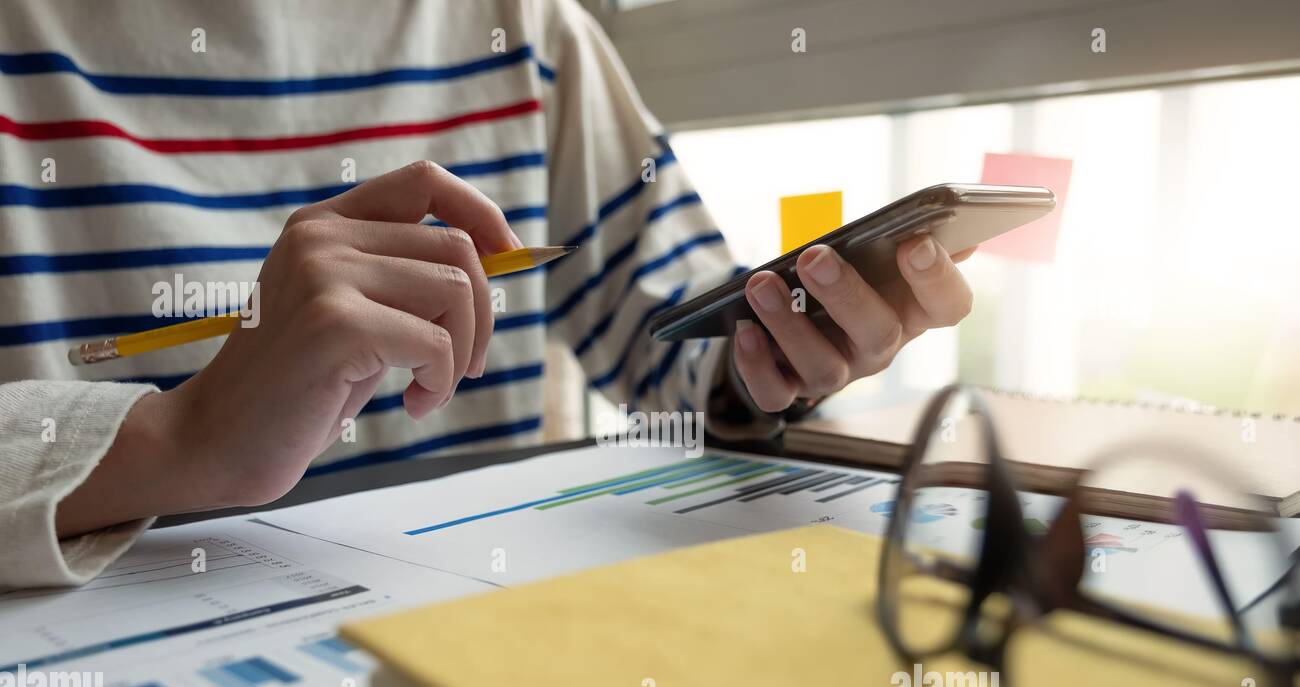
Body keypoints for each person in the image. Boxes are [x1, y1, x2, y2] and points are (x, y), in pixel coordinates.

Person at [0, 0, 974, 588]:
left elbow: (675, 352)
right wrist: (180, 438)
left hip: (470, 643)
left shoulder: (528, 29)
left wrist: (773, 355)